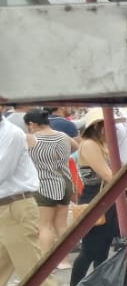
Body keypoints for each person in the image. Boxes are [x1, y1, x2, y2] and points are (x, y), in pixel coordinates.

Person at [70, 109, 127, 286]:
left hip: (107, 199)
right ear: (97, 126)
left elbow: (117, 173)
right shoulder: (89, 144)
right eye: (108, 125)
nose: (113, 128)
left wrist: (122, 197)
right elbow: (109, 175)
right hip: (94, 200)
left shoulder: (103, 144)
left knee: (102, 250)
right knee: (90, 250)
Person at [0, 117, 69, 286]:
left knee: (31, 269)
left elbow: (1, 171)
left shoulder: (11, 133)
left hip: (14, 207)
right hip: (8, 207)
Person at [23, 109, 73, 257]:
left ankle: (46, 260)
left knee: (44, 226)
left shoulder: (30, 139)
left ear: (31, 124)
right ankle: (64, 260)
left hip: (44, 184)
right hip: (65, 181)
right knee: (61, 225)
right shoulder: (63, 136)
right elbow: (76, 146)